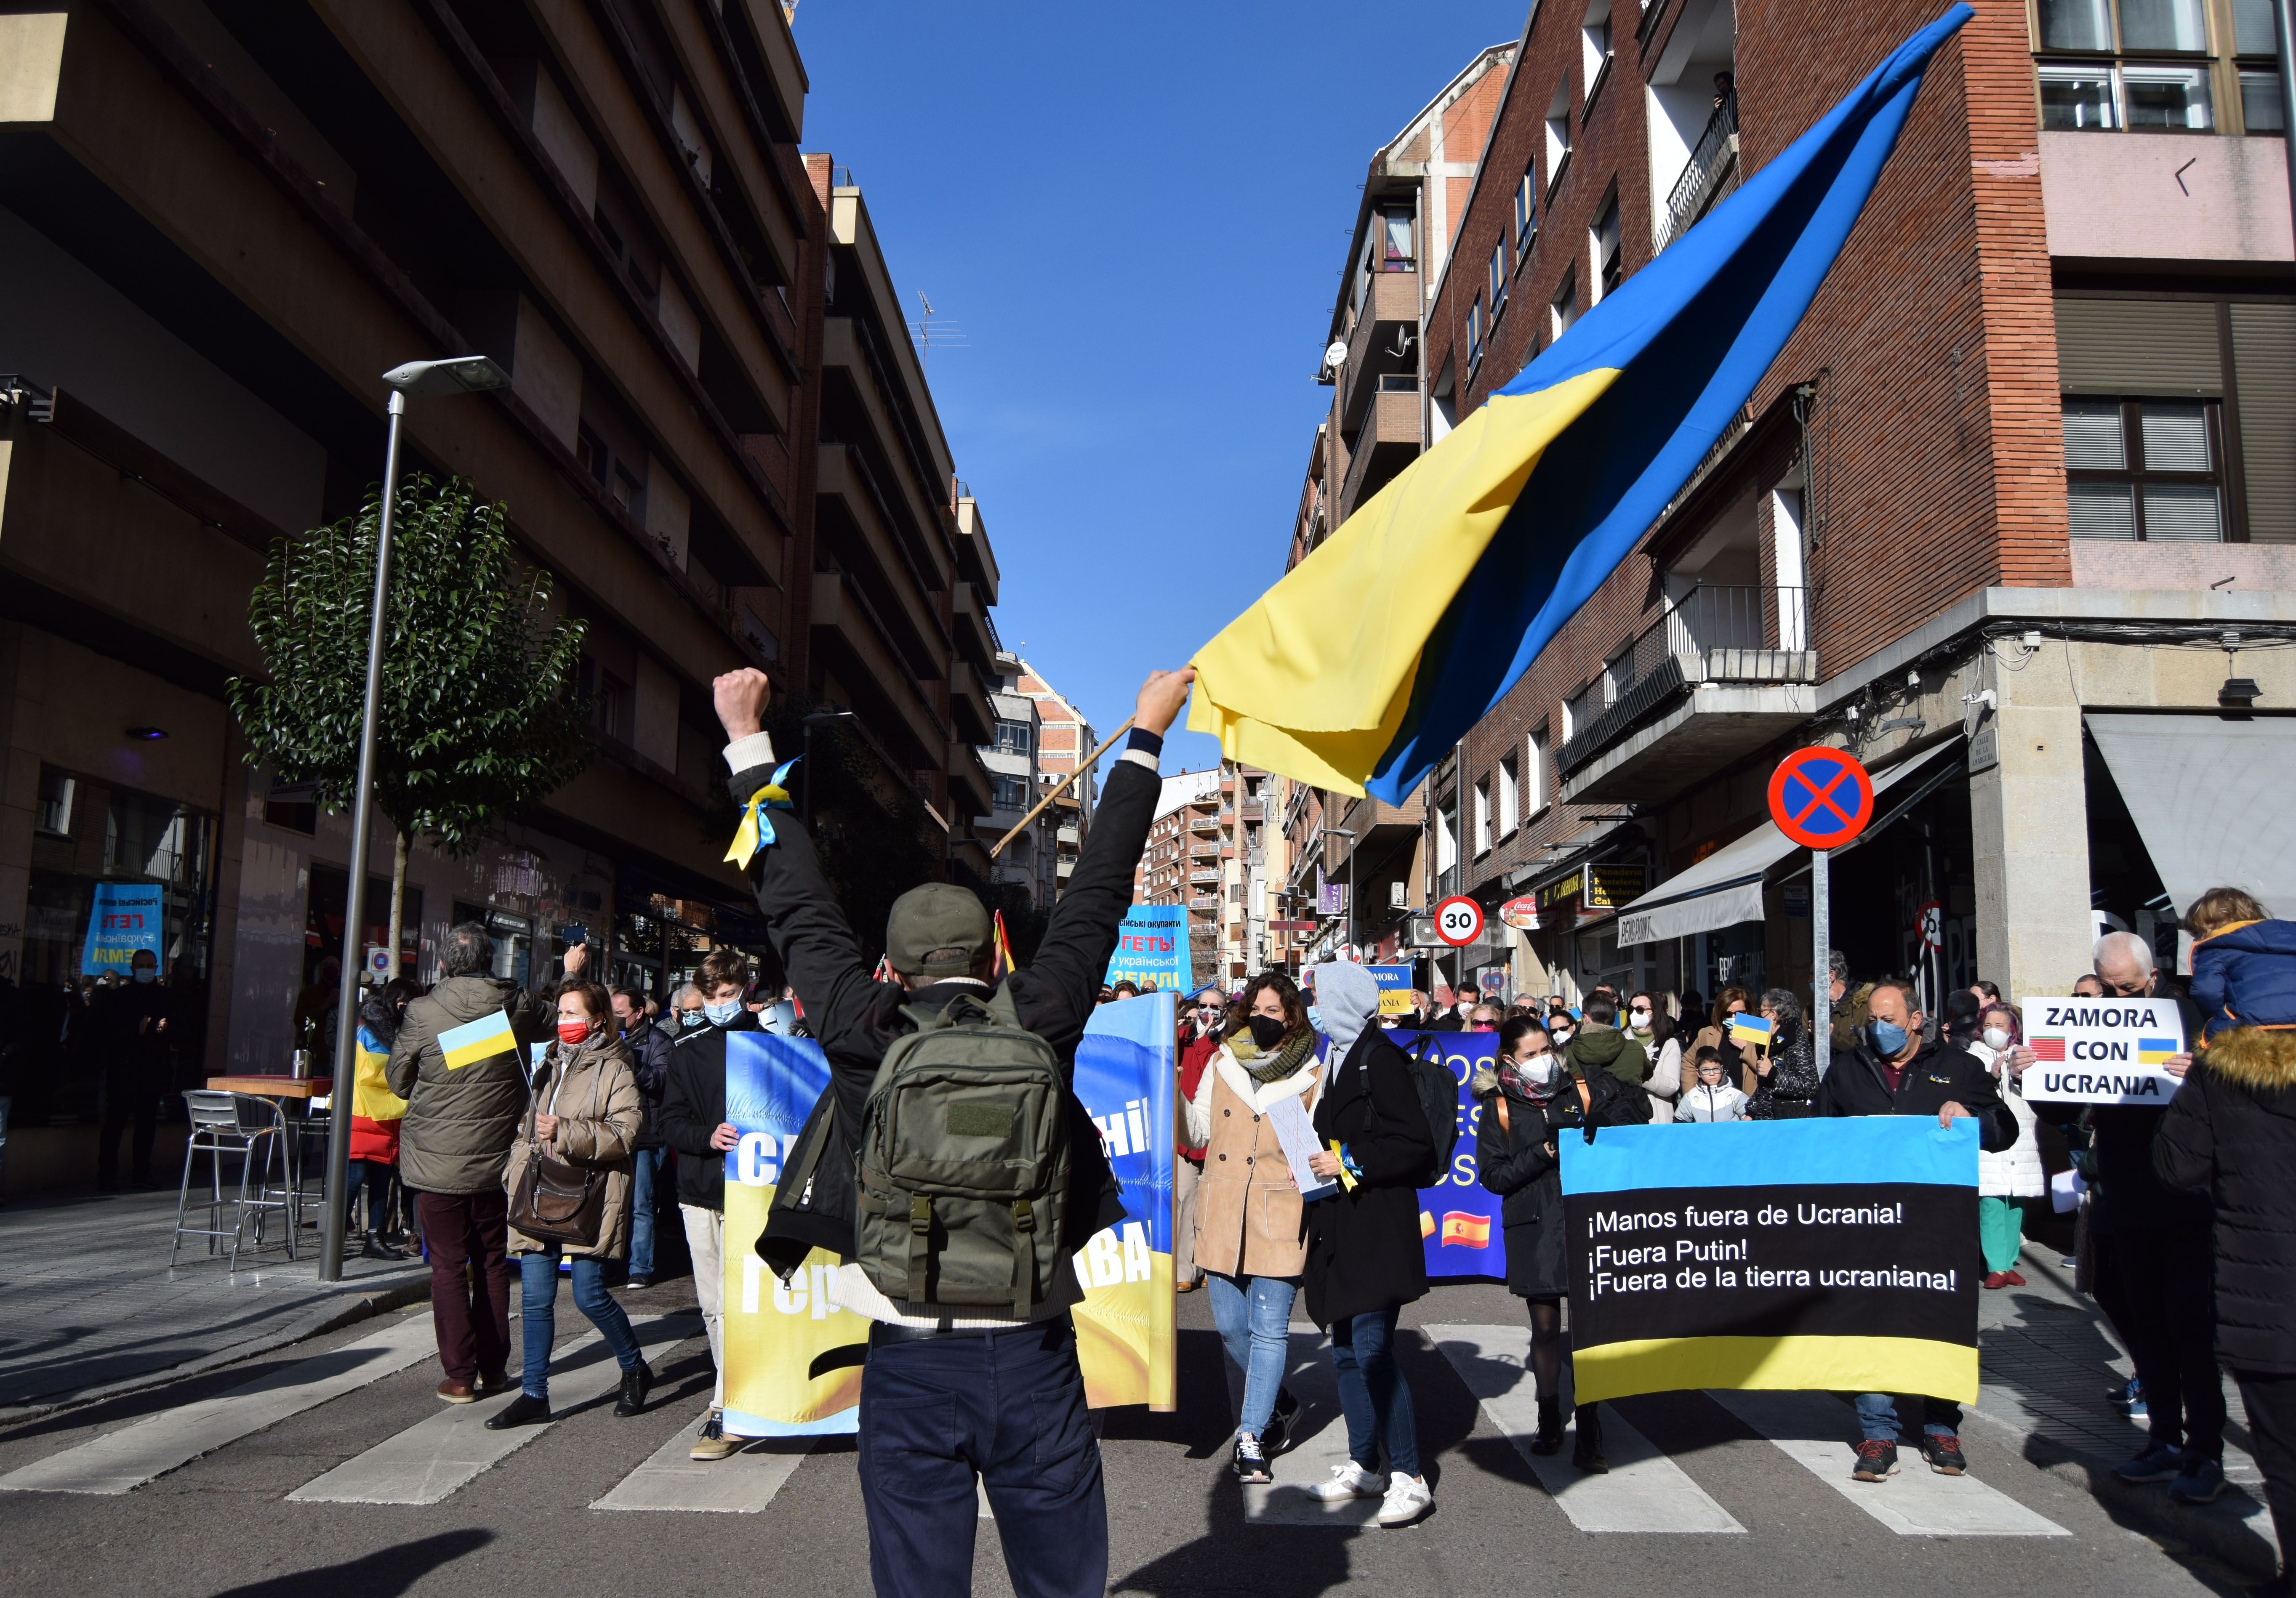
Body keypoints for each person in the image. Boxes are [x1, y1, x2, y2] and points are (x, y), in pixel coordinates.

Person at [727, 663, 1191, 1598]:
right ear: (993, 956)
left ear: (891, 968)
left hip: (908, 1350)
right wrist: (1144, 734)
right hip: (1035, 1350)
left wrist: (748, 742)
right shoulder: (1045, 1009)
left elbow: (797, 900)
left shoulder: (862, 1026)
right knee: (1063, 1582)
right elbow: (1101, 888)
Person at [1818, 977, 2016, 1480]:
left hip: (1936, 1224)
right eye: (1872, 1021)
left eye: (1888, 1018)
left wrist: (1970, 1116)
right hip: (1866, 1224)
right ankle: (1878, 1432)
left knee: (1939, 1319)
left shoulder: (1959, 1067)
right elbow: (1818, 1136)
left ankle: (1940, 1426)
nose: (1878, 1028)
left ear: (1914, 1019)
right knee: (1871, 1322)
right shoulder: (1846, 1071)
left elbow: (2004, 1128)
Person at [2063, 932, 2220, 1503]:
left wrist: (2201, 1067)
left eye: (2124, 986)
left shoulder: (2192, 1017)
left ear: (2150, 977)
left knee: (2190, 1329)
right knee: (2146, 1325)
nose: (2114, 994)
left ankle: (2203, 1450)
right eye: (2106, 986)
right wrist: (2035, 1069)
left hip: (2183, 1198)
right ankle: (2163, 1437)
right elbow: (2065, 1101)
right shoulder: (2092, 1020)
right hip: (2125, 1196)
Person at [2154, 965, 2296, 1598]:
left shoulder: (2218, 1077)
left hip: (2262, 1305)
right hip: (2261, 1299)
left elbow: (2176, 1168)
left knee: (2285, 1458)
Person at [387, 922, 554, 1402]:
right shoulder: (515, 1005)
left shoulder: (422, 1010)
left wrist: (449, 1055)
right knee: (492, 1263)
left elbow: (398, 1081)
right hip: (496, 1162)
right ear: (492, 961)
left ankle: (459, 1375)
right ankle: (496, 1369)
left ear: (442, 963)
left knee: (447, 1268)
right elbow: (555, 1019)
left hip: (436, 1165)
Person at [1474, 1014, 1650, 1468]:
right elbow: (1493, 1175)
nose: (1541, 1060)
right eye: (1530, 1054)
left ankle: (1591, 1429)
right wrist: (1544, 1151)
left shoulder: (1580, 1088)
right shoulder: (1499, 1105)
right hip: (1534, 1227)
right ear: (1510, 1058)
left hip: (1584, 1218)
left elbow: (1625, 1139)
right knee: (1547, 1329)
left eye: (1546, 1049)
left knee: (1589, 1331)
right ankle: (1549, 1416)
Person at [1297, 960, 1435, 1526]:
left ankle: (1409, 1476)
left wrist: (1346, 1163)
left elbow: (1415, 1146)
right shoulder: (1334, 1058)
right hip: (1341, 1223)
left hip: (1377, 1225)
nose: (1316, 1008)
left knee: (1374, 1348)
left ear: (1344, 1004)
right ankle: (1364, 1464)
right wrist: (1311, 1168)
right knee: (1349, 1351)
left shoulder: (1380, 1059)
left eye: (1321, 998)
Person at [487, 979, 650, 1430]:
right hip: (540, 1190)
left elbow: (626, 1133)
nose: (564, 1022)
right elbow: (528, 1125)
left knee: (589, 1295)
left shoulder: (616, 1068)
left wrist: (565, 1130)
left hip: (588, 1194)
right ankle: (534, 1393)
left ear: (599, 1019)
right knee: (536, 1298)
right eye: (560, 1013)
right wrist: (516, 1165)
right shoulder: (547, 1064)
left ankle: (635, 1367)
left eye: (573, 1013)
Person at [1185, 971, 1322, 1484]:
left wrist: (1318, 1163)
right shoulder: (1223, 1062)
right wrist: (1170, 1102)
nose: (1263, 1018)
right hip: (1221, 1208)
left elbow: (1316, 1147)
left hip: (1279, 1211)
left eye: (1275, 1011)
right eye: (1257, 1009)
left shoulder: (1311, 1072)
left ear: (1292, 1017)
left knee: (1269, 1329)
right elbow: (1199, 1127)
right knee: (1229, 1327)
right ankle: (1281, 1399)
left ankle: (1252, 1434)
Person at [655, 948, 764, 1461]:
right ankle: (730, 1388)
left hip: (759, 1192)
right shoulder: (687, 1051)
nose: (721, 1003)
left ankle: (728, 1404)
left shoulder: (771, 1046)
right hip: (702, 1192)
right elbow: (669, 1122)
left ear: (744, 989)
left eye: (728, 994)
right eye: (713, 996)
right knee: (713, 1303)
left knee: (749, 1302)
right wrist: (707, 1136)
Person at [1968, 1001, 2041, 1288]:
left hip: (2021, 1136)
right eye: (1987, 1025)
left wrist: (2022, 1076)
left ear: (2012, 1030)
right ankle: (1995, 1266)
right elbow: (1970, 1093)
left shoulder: (2024, 1055)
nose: (1993, 1031)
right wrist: (1993, 1077)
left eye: (1999, 1026)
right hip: (1990, 1140)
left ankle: (2010, 1262)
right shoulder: (1973, 1057)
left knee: (2015, 1202)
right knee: (1992, 1201)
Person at [346, 978, 420, 1259]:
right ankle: (335, 1237)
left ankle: (374, 1237)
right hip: (365, 1113)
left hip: (386, 1115)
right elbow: (375, 1072)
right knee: (356, 1177)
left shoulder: (392, 1027)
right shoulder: (369, 1027)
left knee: (380, 1176)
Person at [612, 985, 672, 1289]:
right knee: (613, 1201)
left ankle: (640, 1267)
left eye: (620, 1014)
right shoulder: (608, 1040)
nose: (615, 1019)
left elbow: (663, 1081)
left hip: (646, 1134)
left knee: (641, 1203)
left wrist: (631, 1060)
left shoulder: (659, 1040)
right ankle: (612, 1263)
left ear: (638, 1013)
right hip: (613, 1132)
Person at [96, 948, 171, 1189]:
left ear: (157, 969)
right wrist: (135, 1031)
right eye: (142, 966)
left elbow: (184, 1030)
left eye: (150, 966)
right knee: (115, 1123)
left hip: (151, 1070)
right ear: (132, 969)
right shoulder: (119, 997)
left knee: (147, 1124)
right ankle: (107, 1175)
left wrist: (165, 1028)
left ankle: (142, 1172)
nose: (146, 971)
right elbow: (105, 1033)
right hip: (123, 1071)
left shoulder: (165, 997)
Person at [2187, 886, 2296, 1042]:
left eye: (2197, 933)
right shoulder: (2287, 936)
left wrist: (2219, 1015)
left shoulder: (2216, 947)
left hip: (2250, 1028)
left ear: (2207, 926)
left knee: (2211, 1047)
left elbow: (2206, 991)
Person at [1174, 992, 1225, 1296]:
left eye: (1214, 1007)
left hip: (1214, 1130)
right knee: (1184, 1199)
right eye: (1202, 1005)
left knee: (1213, 1204)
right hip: (1186, 1133)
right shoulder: (1183, 1034)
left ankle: (1210, 1266)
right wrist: (1175, 1010)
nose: (1207, 1011)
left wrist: (1210, 1036)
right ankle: (1185, 1269)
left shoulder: (1226, 1040)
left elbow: (1210, 1062)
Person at [1744, 989, 1820, 1119]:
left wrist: (1774, 1073)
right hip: (1767, 1119)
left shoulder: (1795, 1043)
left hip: (1787, 1121)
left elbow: (1811, 1086)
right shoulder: (1770, 1042)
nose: (1759, 1015)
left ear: (1773, 1014)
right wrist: (1751, 1113)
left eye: (1762, 1011)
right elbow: (1765, 1088)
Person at [1561, 993, 1648, 1090]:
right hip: (1629, 1104)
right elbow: (1647, 1075)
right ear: (1613, 1017)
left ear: (1586, 1018)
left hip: (1589, 1105)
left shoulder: (1570, 1052)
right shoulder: (1636, 1048)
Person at [1626, 990, 1682, 1122]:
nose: (1635, 1014)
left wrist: (1641, 1075)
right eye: (1631, 1009)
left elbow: (1672, 1086)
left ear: (1655, 1012)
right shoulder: (1620, 1040)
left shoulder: (1669, 1044)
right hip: (1626, 1115)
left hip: (1656, 1117)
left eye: (1641, 1010)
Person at [1691, 987, 1751, 1096]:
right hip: (1713, 1104)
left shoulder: (1758, 1034)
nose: (1733, 1017)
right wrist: (1693, 1096)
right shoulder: (1707, 1034)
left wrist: (1745, 1048)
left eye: (1740, 1013)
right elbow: (1689, 1063)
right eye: (1728, 1014)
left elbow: (1765, 1069)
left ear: (1747, 1011)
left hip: (1747, 1106)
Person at [1677, 1048, 1750, 1122]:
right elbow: (1679, 1121)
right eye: (1706, 1070)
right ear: (1698, 1073)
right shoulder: (1691, 1097)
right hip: (1703, 1134)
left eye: (1716, 1069)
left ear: (1722, 1069)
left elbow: (1750, 1117)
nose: (1712, 1074)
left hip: (1729, 1133)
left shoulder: (1735, 1094)